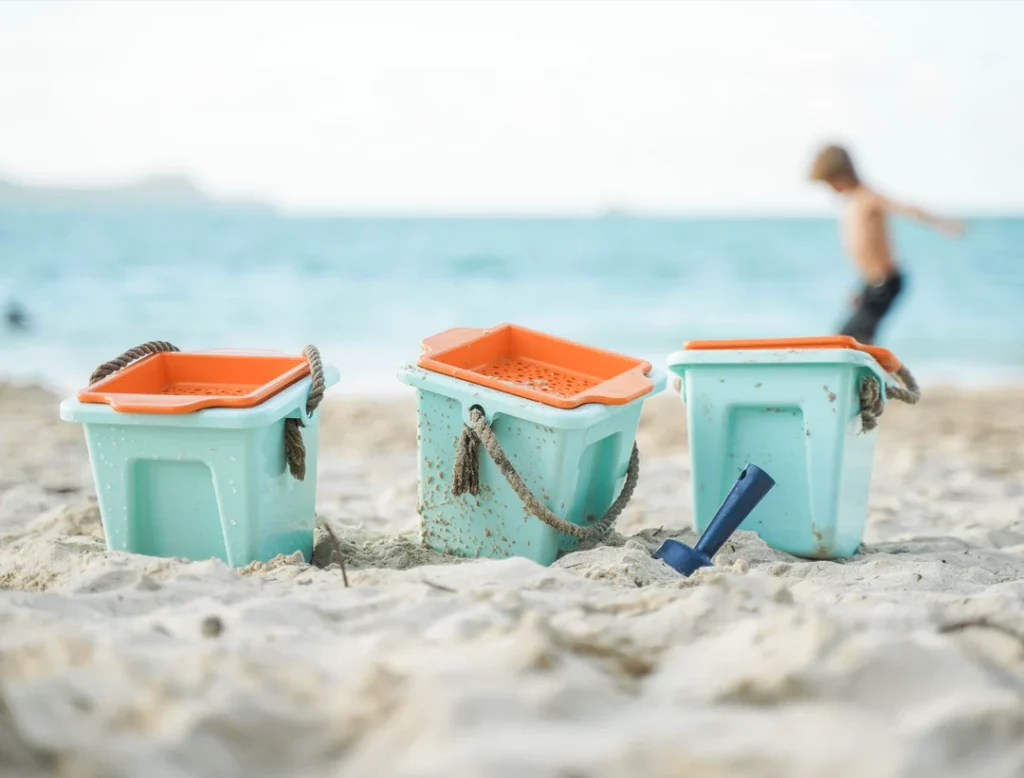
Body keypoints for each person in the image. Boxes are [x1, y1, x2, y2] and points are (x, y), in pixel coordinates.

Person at [809, 144, 964, 345]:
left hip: (885, 282)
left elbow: (905, 208)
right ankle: (868, 374)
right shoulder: (852, 202)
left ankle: (874, 375)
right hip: (872, 284)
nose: (831, 189)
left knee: (849, 341)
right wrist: (862, 288)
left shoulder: (868, 197)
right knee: (850, 339)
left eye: (830, 183)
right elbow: (865, 251)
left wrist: (942, 223)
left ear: (842, 174)